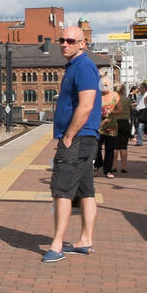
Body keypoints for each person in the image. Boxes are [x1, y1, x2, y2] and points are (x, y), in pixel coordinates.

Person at [43, 27, 101, 262]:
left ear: (82, 44)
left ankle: (56, 245)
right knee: (86, 191)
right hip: (84, 139)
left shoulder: (84, 67)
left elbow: (86, 105)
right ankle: (85, 240)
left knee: (61, 190)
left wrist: (68, 136)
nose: (65, 44)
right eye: (62, 40)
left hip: (77, 138)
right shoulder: (76, 67)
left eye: (70, 41)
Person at [104, 82, 132, 175]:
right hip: (125, 123)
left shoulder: (113, 98)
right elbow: (131, 109)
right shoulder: (127, 99)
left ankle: (114, 166)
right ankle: (124, 167)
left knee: (114, 146)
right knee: (124, 146)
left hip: (115, 122)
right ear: (123, 89)